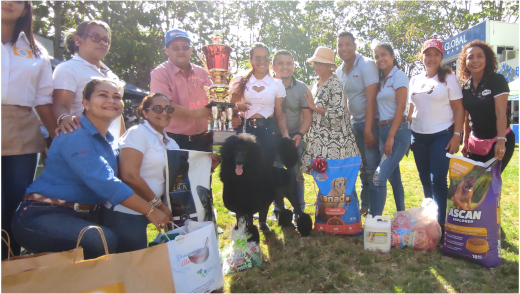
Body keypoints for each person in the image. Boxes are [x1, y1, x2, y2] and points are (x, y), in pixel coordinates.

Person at [11, 79, 171, 259]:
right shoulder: (74, 134)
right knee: (100, 239)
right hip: (43, 214)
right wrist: (151, 210)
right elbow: (106, 182)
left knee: (123, 242)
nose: (111, 100)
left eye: (117, 97)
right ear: (85, 103)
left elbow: (131, 173)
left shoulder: (111, 142)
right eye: (103, 95)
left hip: (87, 215)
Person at [107, 93, 221, 253]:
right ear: (145, 112)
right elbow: (129, 176)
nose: (164, 112)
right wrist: (157, 206)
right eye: (157, 108)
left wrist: (209, 167)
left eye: (168, 108)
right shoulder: (138, 132)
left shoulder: (172, 143)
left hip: (158, 208)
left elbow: (180, 178)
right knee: (131, 263)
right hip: (128, 210)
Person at [1, 0, 56, 260]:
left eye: (18, 0)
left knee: (15, 206)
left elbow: (44, 100)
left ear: (26, 9)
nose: (10, 2)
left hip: (22, 133)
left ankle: (12, 265)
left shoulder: (36, 51)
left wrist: (57, 137)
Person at [229, 43, 289, 232]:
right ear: (251, 60)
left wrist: (285, 135)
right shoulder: (240, 81)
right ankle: (244, 220)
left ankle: (262, 220)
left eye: (265, 57)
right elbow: (231, 109)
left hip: (268, 133)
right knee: (243, 175)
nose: (262, 61)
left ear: (269, 60)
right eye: (258, 57)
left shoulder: (277, 83)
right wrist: (237, 109)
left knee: (265, 176)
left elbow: (280, 113)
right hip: (246, 132)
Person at [407, 39, 464, 228]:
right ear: (421, 56)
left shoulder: (449, 78)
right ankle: (430, 220)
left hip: (442, 135)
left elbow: (458, 109)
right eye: (428, 54)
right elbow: (410, 109)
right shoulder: (415, 79)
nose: (431, 58)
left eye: (436, 54)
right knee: (424, 178)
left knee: (437, 179)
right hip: (418, 136)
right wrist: (407, 135)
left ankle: (441, 224)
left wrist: (457, 135)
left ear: (442, 57)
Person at [52, 20, 125, 145]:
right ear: (77, 40)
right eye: (95, 37)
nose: (102, 42)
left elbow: (118, 115)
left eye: (106, 40)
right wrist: (64, 119)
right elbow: (60, 106)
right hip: (82, 146)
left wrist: (124, 143)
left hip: (112, 147)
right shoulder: (68, 68)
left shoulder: (112, 76)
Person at [335, 32, 380, 216]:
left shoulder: (367, 65)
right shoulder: (339, 71)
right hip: (354, 124)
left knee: (371, 169)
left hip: (371, 123)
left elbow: (371, 99)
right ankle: (364, 207)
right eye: (340, 45)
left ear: (355, 45)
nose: (343, 48)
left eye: (347, 44)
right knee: (360, 167)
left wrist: (369, 128)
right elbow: (344, 101)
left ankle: (375, 210)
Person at [150, 29, 214, 152]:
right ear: (167, 50)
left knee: (203, 172)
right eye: (175, 47)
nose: (181, 51)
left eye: (185, 47)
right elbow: (164, 106)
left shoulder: (202, 72)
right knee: (176, 172)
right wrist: (195, 113)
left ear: (191, 50)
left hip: (203, 139)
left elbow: (214, 97)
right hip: (174, 140)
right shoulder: (159, 73)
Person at [300, 46, 360, 173]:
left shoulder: (335, 83)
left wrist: (314, 107)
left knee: (338, 185)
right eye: (315, 62)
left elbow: (339, 113)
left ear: (328, 66)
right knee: (324, 183)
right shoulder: (317, 82)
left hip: (335, 145)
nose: (316, 65)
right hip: (319, 143)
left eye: (320, 63)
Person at [459, 40, 515, 171]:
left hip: (498, 139)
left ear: (487, 59)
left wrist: (501, 141)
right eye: (470, 57)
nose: (475, 60)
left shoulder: (497, 80)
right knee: (473, 184)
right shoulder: (465, 86)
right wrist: (465, 141)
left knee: (489, 184)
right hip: (476, 143)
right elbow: (467, 117)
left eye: (480, 56)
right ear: (465, 62)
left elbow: (501, 112)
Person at [271, 50, 313, 221]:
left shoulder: (302, 88)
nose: (285, 67)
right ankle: (278, 211)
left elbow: (308, 116)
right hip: (273, 138)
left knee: (296, 175)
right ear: (273, 67)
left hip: (295, 137)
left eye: (289, 63)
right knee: (275, 174)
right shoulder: (268, 85)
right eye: (280, 63)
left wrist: (300, 135)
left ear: (294, 66)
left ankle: (299, 211)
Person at [369, 43, 411, 216]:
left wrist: (391, 136)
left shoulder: (399, 76)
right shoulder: (382, 80)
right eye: (377, 56)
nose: (380, 59)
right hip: (383, 130)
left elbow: (401, 106)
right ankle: (402, 215)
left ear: (393, 56)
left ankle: (375, 219)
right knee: (394, 178)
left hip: (398, 130)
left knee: (379, 178)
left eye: (384, 54)